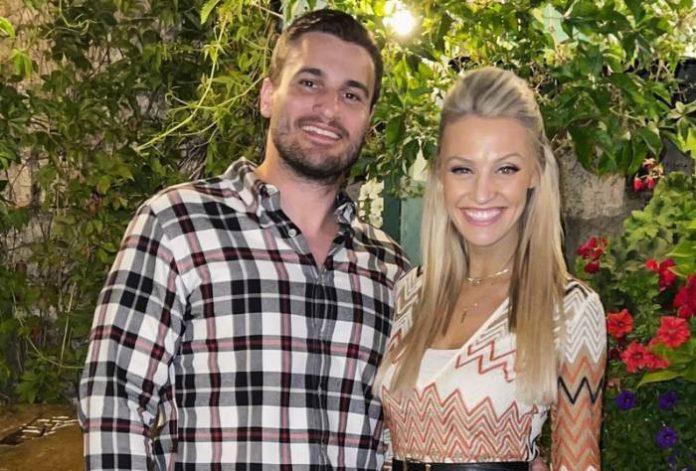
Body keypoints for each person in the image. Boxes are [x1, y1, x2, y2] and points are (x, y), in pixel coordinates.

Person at [78, 9, 409, 470]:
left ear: (368, 120)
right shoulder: (178, 224)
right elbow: (115, 401)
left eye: (351, 94)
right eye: (309, 83)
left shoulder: (389, 267)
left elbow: (396, 432)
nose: (329, 109)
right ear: (268, 95)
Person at [376, 67, 606, 471]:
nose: (482, 193)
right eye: (462, 169)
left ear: (535, 173)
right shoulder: (411, 290)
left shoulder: (569, 307)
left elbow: (579, 462)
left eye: (506, 168)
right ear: (440, 176)